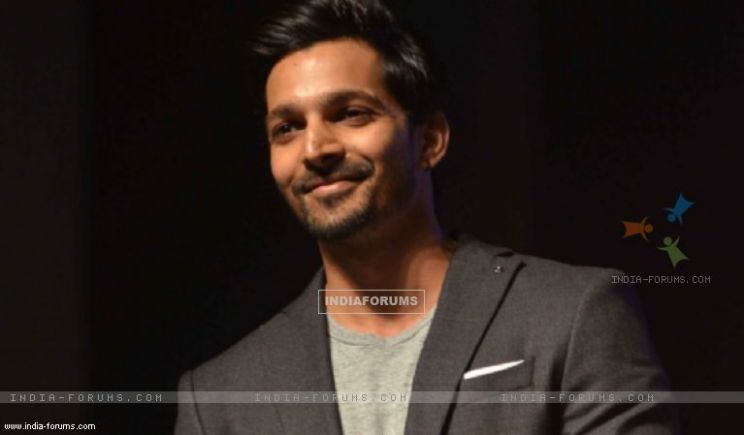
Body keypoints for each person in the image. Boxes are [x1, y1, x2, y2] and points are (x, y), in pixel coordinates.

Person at [175, 0, 678, 433]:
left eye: (350, 113)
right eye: (287, 128)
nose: (315, 148)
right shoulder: (219, 396)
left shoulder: (572, 315)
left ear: (430, 140)